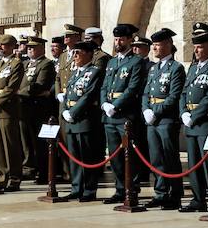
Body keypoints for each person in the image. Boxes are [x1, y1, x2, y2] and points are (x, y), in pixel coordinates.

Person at [180, 22, 208, 212]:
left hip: (205, 122)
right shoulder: (193, 68)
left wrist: (195, 115)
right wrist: (183, 112)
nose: (196, 50)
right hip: (190, 123)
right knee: (193, 165)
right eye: (195, 47)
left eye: (200, 46)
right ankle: (198, 198)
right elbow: (184, 92)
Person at [100, 23, 145, 204]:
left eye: (121, 39)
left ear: (129, 40)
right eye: (116, 39)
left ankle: (131, 188)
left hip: (125, 115)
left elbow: (132, 88)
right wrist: (104, 103)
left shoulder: (136, 62)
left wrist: (116, 106)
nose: (118, 42)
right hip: (109, 116)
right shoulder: (112, 62)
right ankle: (119, 188)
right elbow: (104, 86)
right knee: (115, 155)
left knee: (129, 155)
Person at [143, 27, 187, 210]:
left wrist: (156, 111)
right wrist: (145, 109)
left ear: (168, 45)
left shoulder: (176, 68)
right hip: (152, 120)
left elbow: (174, 96)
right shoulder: (154, 69)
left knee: (170, 158)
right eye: (153, 45)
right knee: (156, 158)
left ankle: (174, 194)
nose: (154, 48)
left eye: (157, 45)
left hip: (166, 120)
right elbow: (146, 92)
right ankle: (160, 192)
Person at [61, 40, 104, 201]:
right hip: (71, 120)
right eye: (74, 52)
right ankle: (76, 187)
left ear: (88, 54)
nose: (75, 55)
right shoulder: (75, 72)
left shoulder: (95, 72)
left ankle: (89, 189)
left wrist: (73, 112)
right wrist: (65, 110)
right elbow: (67, 94)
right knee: (74, 157)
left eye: (78, 52)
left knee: (88, 157)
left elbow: (89, 95)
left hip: (85, 119)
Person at [0, 34, 25, 190]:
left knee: (10, 145)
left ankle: (14, 178)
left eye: (3, 45)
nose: (0, 48)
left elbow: (11, 88)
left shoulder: (16, 64)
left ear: (11, 46)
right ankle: (3, 176)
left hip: (7, 109)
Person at [21, 36, 58, 184]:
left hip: (39, 108)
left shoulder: (46, 64)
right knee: (27, 142)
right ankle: (29, 168)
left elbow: (38, 85)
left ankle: (43, 172)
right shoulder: (25, 64)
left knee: (40, 143)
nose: (30, 50)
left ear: (41, 48)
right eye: (28, 47)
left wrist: (18, 92)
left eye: (33, 47)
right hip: (25, 108)